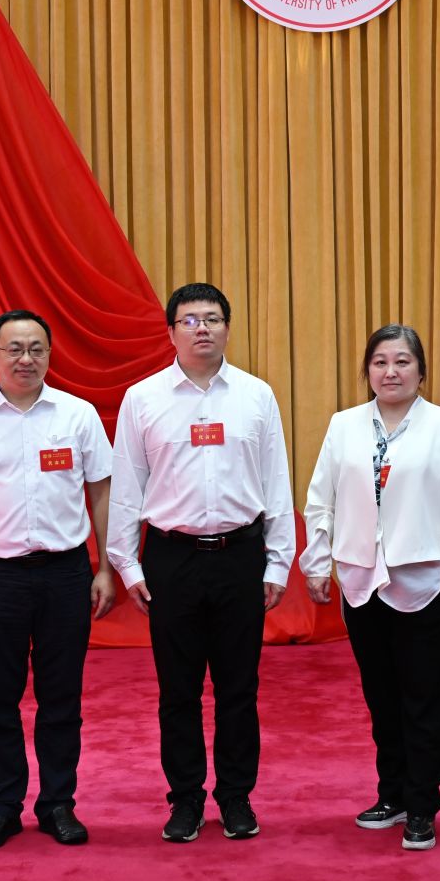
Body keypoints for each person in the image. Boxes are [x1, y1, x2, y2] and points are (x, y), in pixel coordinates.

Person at [104, 283, 295, 842]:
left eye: (212, 318)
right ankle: (185, 798)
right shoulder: (143, 398)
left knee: (239, 689)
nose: (202, 328)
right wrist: (128, 566)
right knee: (178, 691)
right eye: (189, 320)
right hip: (172, 559)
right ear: (171, 332)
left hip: (240, 556)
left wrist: (278, 563)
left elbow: (276, 482)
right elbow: (127, 486)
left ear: (228, 328)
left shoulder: (256, 395)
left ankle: (236, 798)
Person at [0, 310, 121, 851]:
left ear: (49, 355)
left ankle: (58, 803)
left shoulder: (78, 415)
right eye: (14, 348)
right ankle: (1, 807)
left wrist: (106, 567)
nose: (26, 359)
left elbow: (102, 494)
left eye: (36, 348)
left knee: (62, 697)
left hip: (64, 573)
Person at [303, 325, 440, 853]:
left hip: (424, 581)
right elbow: (321, 499)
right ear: (368, 371)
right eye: (380, 362)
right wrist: (317, 562)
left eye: (403, 361)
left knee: (425, 698)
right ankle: (393, 794)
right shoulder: (344, 426)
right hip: (362, 580)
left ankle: (422, 804)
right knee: (381, 697)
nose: (391, 372)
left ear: (421, 370)